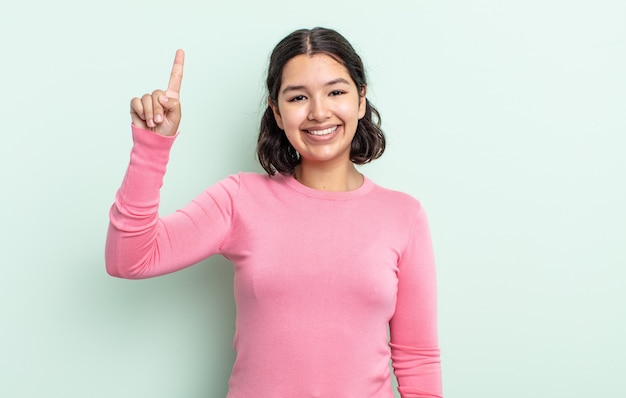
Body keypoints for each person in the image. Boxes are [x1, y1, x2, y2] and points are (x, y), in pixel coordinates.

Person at [106, 27, 443, 398]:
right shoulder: (239, 200)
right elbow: (129, 259)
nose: (318, 112)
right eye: (298, 97)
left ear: (361, 100)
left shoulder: (403, 216)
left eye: (336, 92)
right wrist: (152, 146)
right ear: (277, 112)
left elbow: (417, 359)